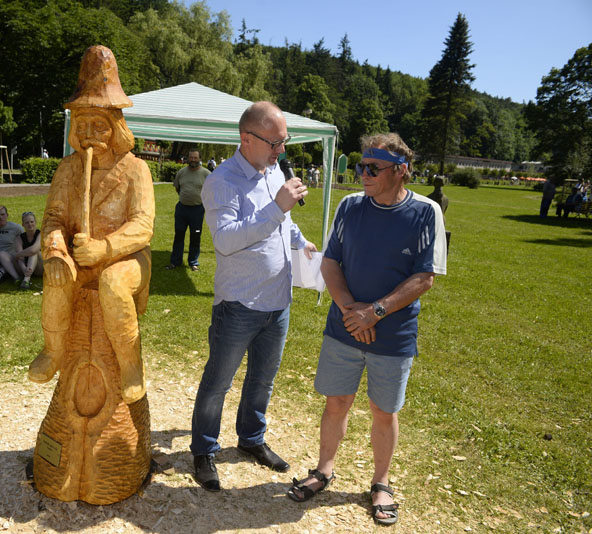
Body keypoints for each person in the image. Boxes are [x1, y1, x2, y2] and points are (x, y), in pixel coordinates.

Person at [286, 133, 446, 526]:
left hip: (393, 335)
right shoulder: (350, 205)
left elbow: (424, 278)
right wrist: (349, 311)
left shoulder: (426, 212)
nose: (363, 174)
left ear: (401, 171)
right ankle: (324, 470)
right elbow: (330, 263)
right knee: (336, 402)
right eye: (362, 166)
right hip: (344, 327)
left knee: (382, 410)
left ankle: (381, 482)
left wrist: (375, 311)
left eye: (373, 168)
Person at [190, 101, 316, 492]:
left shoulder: (274, 170)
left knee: (263, 381)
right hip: (239, 304)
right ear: (247, 138)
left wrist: (300, 239)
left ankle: (251, 439)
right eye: (275, 142)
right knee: (218, 383)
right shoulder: (222, 181)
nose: (282, 151)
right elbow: (226, 241)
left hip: (278, 301)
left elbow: (285, 223)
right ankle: (204, 450)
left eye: (284, 142)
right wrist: (278, 208)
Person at [26, 45, 154, 406]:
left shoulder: (135, 169)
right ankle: (53, 350)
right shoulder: (67, 169)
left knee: (113, 283)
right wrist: (54, 251)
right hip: (79, 257)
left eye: (99, 124)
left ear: (116, 127)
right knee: (57, 277)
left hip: (126, 260)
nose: (89, 133)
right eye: (82, 125)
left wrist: (106, 248)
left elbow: (143, 226)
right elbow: (52, 218)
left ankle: (131, 365)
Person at [167, 150, 210, 271]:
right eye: (191, 157)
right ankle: (175, 262)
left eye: (195, 158)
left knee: (195, 236)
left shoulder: (206, 174)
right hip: (182, 209)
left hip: (197, 211)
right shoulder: (181, 172)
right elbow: (178, 188)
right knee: (179, 235)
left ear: (200, 158)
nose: (193, 160)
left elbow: (211, 191)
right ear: (188, 158)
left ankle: (193, 262)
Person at [13, 211, 43, 290]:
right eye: (27, 223)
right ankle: (26, 278)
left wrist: (17, 254)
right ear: (23, 225)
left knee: (34, 253)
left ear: (35, 222)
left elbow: (33, 250)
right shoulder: (19, 238)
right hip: (27, 268)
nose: (30, 224)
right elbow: (20, 258)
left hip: (40, 268)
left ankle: (26, 279)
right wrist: (24, 268)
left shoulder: (41, 234)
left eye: (32, 222)